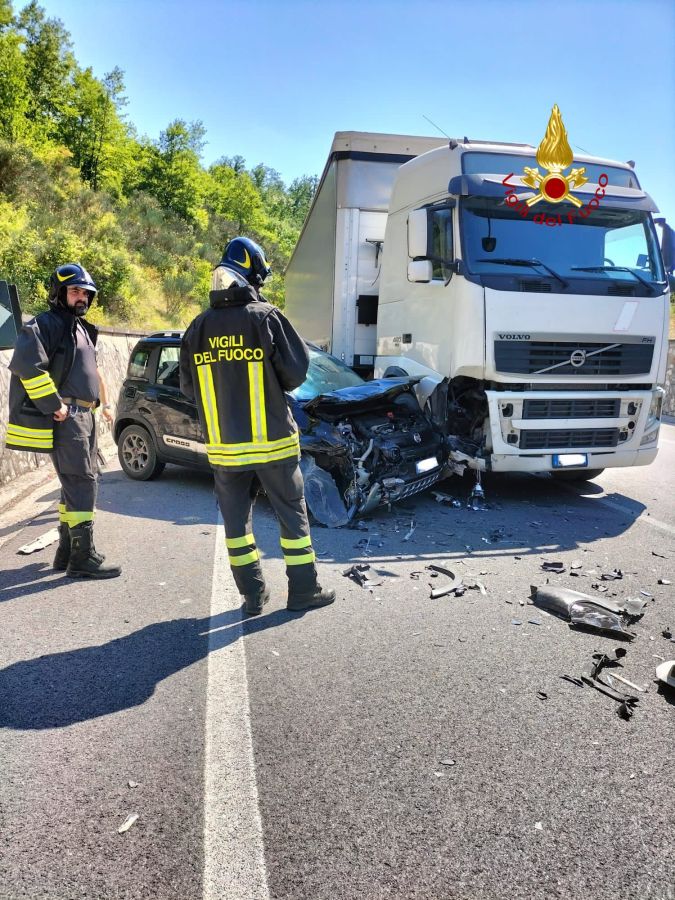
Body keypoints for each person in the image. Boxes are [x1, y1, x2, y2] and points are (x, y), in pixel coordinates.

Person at [180, 237, 335, 615]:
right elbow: (296, 373)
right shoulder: (266, 317)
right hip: (273, 446)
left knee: (236, 526)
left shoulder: (197, 328)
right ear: (253, 277)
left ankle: (252, 595)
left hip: (225, 451)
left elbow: (187, 388)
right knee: (292, 517)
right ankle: (303, 591)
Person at [6, 263, 121, 579]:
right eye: (75, 291)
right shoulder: (45, 324)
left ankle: (67, 551)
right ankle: (83, 557)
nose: (81, 297)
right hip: (69, 417)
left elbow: (91, 372)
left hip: (86, 415)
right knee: (81, 480)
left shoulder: (80, 327)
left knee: (74, 483)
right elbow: (26, 365)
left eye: (85, 293)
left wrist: (101, 405)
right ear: (59, 293)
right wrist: (53, 404)